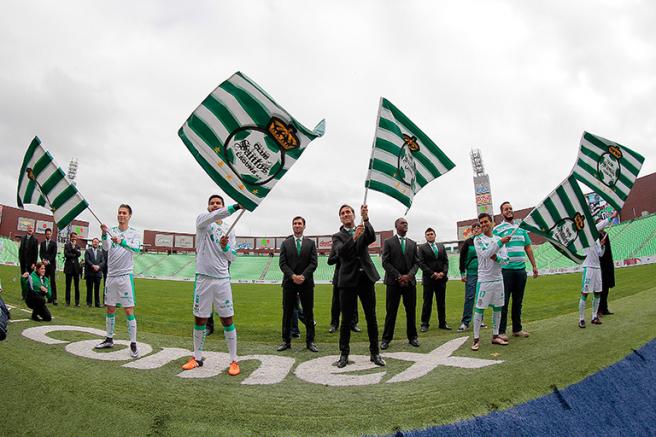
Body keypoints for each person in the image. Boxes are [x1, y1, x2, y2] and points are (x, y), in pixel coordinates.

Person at [181, 195, 241, 376]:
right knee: (200, 319)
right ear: (208, 207)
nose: (214, 205)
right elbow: (215, 216)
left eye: (218, 203)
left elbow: (233, 257)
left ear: (221, 205)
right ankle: (197, 357)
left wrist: (225, 247)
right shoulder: (202, 221)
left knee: (227, 319)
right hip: (204, 279)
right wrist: (237, 206)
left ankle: (234, 360)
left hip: (222, 279)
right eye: (212, 203)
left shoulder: (230, 230)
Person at [332, 204, 385, 368]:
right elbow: (341, 252)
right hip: (347, 280)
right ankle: (344, 354)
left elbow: (371, 237)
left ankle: (375, 353)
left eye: (348, 212)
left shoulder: (362, 228)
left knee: (371, 317)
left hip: (366, 278)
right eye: (343, 213)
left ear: (354, 215)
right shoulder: (337, 236)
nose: (346, 214)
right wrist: (354, 237)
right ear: (340, 218)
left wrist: (366, 218)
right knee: (346, 319)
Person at [95, 205, 142, 358]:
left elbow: (136, 250)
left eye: (124, 213)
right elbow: (106, 247)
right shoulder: (111, 230)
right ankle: (109, 338)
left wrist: (122, 242)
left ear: (129, 216)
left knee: (128, 310)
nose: (121, 215)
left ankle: (133, 343)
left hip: (125, 276)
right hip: (111, 276)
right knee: (110, 308)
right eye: (119, 213)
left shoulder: (134, 233)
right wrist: (104, 234)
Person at [493, 202, 538, 340]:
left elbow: (528, 248)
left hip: (521, 270)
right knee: (504, 301)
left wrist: (534, 266)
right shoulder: (498, 229)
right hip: (506, 270)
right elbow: (493, 247)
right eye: (506, 209)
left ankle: (517, 329)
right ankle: (501, 331)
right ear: (502, 213)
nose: (509, 210)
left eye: (511, 208)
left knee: (518, 301)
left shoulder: (521, 228)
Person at [277, 216, 318, 352]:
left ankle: (310, 341)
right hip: (289, 282)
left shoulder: (311, 243)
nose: (297, 225)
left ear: (304, 226)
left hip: (306, 283)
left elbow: (313, 263)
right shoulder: (285, 243)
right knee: (287, 313)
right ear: (292, 226)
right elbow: (282, 264)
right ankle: (286, 341)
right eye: (295, 223)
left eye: (299, 223)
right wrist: (293, 276)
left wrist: (303, 276)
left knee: (308, 313)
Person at [471, 212, 511, 351]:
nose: (483, 225)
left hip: (498, 279)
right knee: (479, 310)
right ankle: (476, 339)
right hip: (484, 280)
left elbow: (506, 260)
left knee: (498, 308)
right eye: (481, 223)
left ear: (492, 223)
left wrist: (498, 258)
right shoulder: (478, 240)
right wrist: (499, 244)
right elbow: (486, 253)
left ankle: (495, 336)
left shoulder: (498, 238)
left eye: (485, 222)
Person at [381, 218, 420, 349]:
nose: (405, 224)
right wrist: (398, 276)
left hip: (410, 283)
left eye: (406, 223)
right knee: (391, 312)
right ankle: (386, 339)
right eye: (403, 223)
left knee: (411, 311)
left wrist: (409, 276)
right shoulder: (388, 242)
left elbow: (417, 263)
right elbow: (385, 262)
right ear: (396, 226)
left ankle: (413, 337)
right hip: (393, 283)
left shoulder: (413, 243)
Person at [578, 212, 617, 328]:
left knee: (597, 293)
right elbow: (601, 224)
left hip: (597, 268)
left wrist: (602, 245)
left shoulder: (595, 239)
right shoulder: (587, 233)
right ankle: (581, 319)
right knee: (585, 293)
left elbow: (600, 254)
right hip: (588, 267)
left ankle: (594, 316)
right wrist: (612, 216)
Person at [417, 227, 450, 332]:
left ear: (435, 235)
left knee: (441, 302)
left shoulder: (441, 246)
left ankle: (442, 323)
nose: (430, 236)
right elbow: (421, 263)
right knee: (427, 302)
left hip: (441, 279)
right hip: (429, 280)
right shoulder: (421, 248)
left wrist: (443, 273)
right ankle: (424, 324)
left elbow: (446, 261)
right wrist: (433, 274)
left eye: (431, 234)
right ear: (425, 237)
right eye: (428, 234)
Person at [327, 244, 360, 334]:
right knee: (336, 303)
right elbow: (329, 261)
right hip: (339, 278)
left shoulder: (355, 245)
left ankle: (353, 324)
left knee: (353, 302)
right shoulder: (337, 246)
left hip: (352, 277)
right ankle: (334, 324)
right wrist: (340, 254)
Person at [458, 223, 484, 332]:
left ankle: (480, 320)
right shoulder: (468, 242)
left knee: (481, 298)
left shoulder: (484, 241)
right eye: (475, 229)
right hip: (472, 274)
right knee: (469, 297)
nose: (477, 230)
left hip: (483, 273)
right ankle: (465, 322)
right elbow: (462, 258)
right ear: (472, 231)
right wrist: (462, 273)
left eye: (479, 228)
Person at [18, 224, 39, 299]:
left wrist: (34, 263)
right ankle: (23, 295)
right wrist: (20, 259)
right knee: (23, 279)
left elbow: (36, 253)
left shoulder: (35, 240)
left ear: (33, 230)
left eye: (31, 228)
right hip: (23, 263)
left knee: (30, 279)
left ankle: (29, 295)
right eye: (29, 228)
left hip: (31, 264)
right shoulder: (23, 238)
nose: (30, 229)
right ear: (27, 229)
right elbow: (20, 250)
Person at [598, 228, 615, 316]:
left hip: (608, 264)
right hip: (601, 265)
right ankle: (599, 310)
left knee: (606, 288)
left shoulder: (605, 234)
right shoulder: (596, 235)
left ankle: (605, 308)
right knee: (601, 289)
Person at [39, 228, 58, 305]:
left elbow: (54, 254)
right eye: (47, 234)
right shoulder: (42, 243)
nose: (48, 235)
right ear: (45, 234)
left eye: (49, 234)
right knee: (44, 282)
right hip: (44, 266)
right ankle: (47, 297)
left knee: (52, 282)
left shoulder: (54, 243)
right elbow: (41, 253)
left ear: (51, 234)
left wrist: (48, 261)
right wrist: (43, 260)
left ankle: (54, 298)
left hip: (51, 265)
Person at [85, 238, 105, 307]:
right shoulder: (88, 251)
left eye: (97, 242)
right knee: (89, 289)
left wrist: (98, 267)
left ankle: (97, 303)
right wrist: (93, 265)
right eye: (94, 242)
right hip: (90, 273)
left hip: (98, 273)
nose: (95, 243)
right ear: (92, 243)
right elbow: (87, 260)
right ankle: (89, 303)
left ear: (98, 243)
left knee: (97, 289)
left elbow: (103, 262)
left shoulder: (101, 252)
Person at [64, 232, 82, 307]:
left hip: (76, 269)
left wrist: (74, 248)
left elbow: (79, 254)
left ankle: (77, 302)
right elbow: (66, 254)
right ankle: (67, 301)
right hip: (68, 268)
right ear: (70, 237)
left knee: (77, 286)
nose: (74, 238)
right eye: (73, 237)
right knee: (68, 286)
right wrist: (74, 254)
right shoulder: (67, 245)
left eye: (75, 237)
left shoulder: (78, 246)